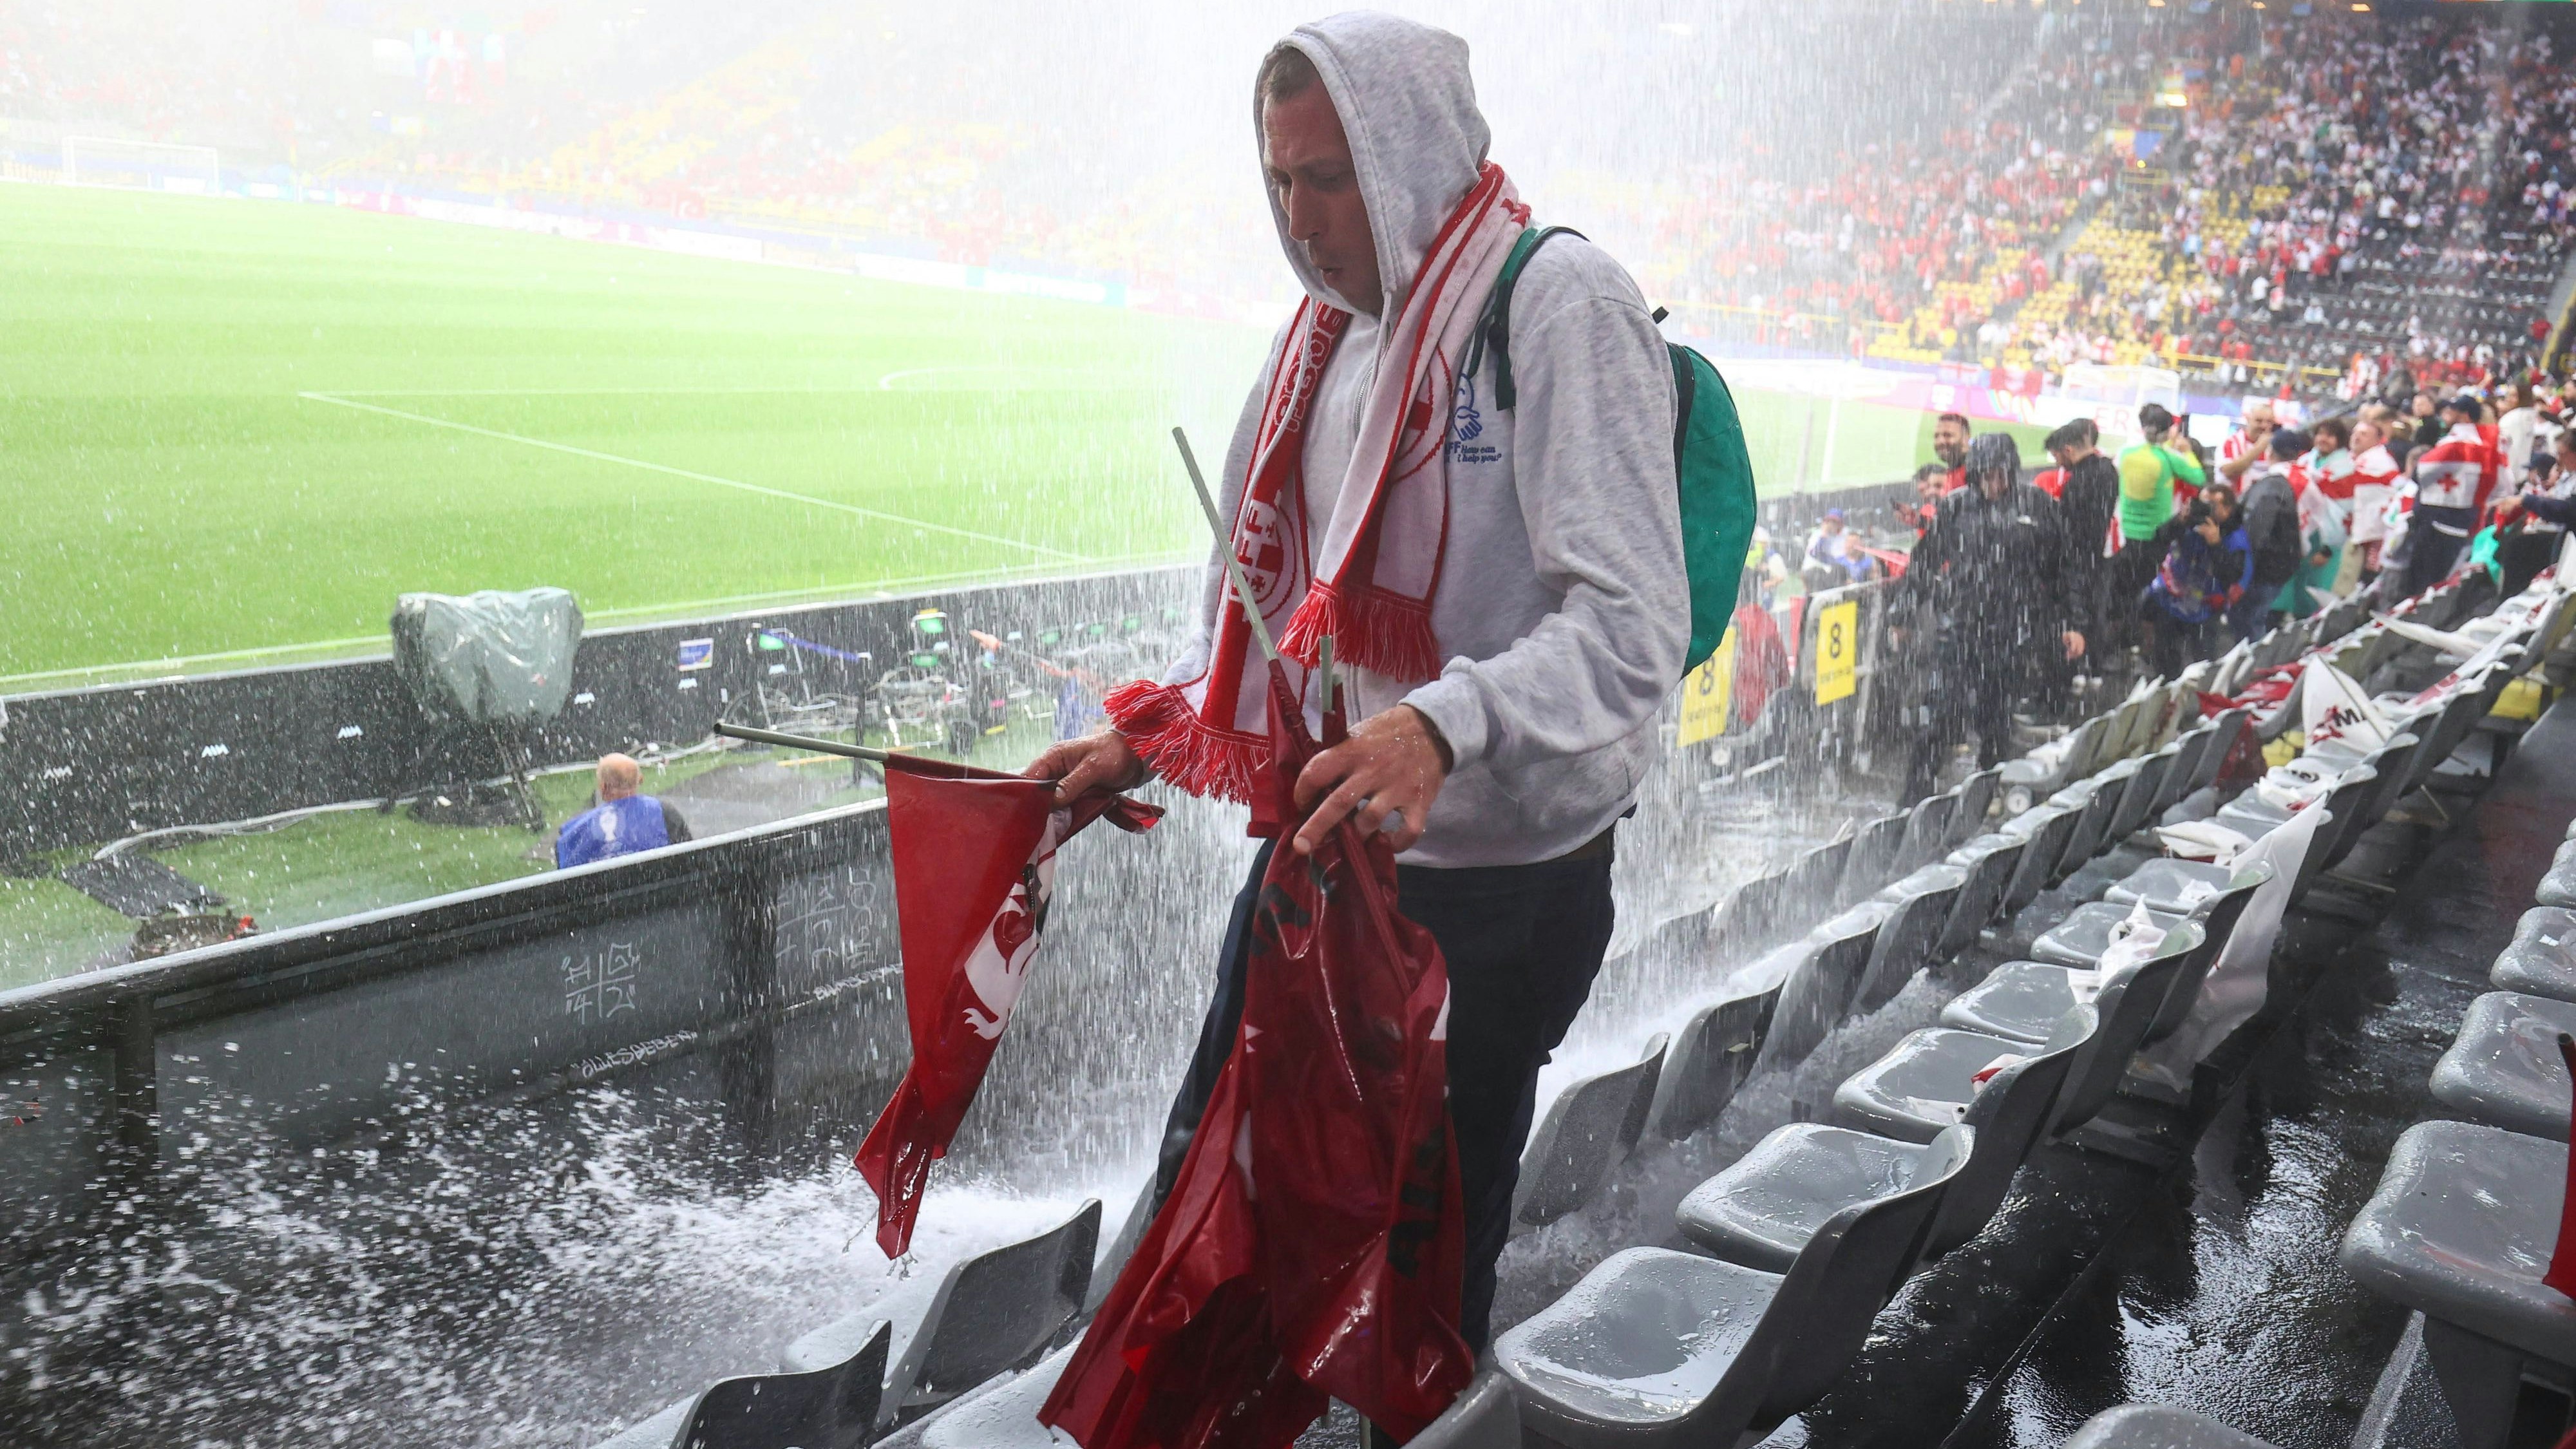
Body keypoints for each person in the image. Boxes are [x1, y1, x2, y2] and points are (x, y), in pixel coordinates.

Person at [1025, 14, 1687, 1361]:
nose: (1299, 217)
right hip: (1323, 859)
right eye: (1278, 179)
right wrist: (1147, 736)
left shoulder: (1562, 306)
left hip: (1496, 900)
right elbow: (1272, 619)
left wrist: (1440, 728)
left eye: (1328, 177)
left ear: (1408, 154)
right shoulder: (1317, 344)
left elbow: (1633, 630)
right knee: (1212, 1210)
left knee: (1421, 1282)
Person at [1898, 433, 2087, 802]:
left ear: (2011, 472)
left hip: (2011, 633)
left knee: (1996, 721)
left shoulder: (2038, 506)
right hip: (1959, 629)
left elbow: (2064, 571)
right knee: (1937, 717)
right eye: (1985, 475)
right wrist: (1902, 613)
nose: (1992, 483)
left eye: (1999, 474)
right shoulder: (1957, 507)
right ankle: (1912, 800)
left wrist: (2074, 624)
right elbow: (1924, 563)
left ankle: (1988, 792)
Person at [2139, 484, 2253, 680]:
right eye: (2202, 503)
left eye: (2212, 505)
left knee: (2203, 660)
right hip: (2171, 600)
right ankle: (2166, 682)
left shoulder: (2235, 537)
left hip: (2206, 607)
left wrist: (2216, 544)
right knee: (2165, 654)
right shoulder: (2189, 522)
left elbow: (2231, 576)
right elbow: (2159, 539)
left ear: (2227, 509)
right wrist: (2180, 520)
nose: (2205, 509)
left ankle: (2201, 689)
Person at [2401, 392, 2505, 597]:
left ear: (2464, 416)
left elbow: (2420, 473)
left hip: (2437, 523)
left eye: (2453, 410)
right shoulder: (2487, 444)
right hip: (2464, 522)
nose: (2447, 414)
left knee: (2422, 583)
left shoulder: (2458, 443)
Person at [2113, 403, 2207, 625]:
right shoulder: (2169, 457)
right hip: (2155, 537)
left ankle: (2117, 628)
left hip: (2125, 534)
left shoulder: (2125, 452)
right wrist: (2187, 452)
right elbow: (2199, 478)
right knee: (2140, 590)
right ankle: (2132, 628)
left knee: (2120, 590)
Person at [2045, 417, 2121, 657]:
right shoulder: (2108, 469)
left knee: (2084, 613)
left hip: (2084, 558)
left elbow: (2073, 528)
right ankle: (2094, 664)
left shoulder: (2079, 482)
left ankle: (2084, 662)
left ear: (2068, 450)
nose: (2058, 463)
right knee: (2097, 610)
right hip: (2103, 555)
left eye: (2057, 456)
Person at [554, 753, 692, 867]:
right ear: (640, 780)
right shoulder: (663, 813)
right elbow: (690, 860)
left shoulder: (573, 834)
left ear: (603, 787)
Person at [2235, 429, 2306, 637]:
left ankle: (2253, 657)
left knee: (2251, 621)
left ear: (2270, 452)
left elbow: (2256, 532)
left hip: (2265, 567)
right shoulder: (2301, 478)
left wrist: (2241, 566)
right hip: (2283, 564)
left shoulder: (2272, 485)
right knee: (2260, 618)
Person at [1803, 507, 1873, 589]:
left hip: (1849, 575)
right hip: (1826, 572)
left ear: (1840, 524)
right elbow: (1814, 554)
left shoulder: (1847, 533)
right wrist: (1824, 535)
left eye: (1834, 522)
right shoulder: (1819, 535)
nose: (1831, 524)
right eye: (1829, 521)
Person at [2217, 399, 2277, 487]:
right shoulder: (2231, 443)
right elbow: (2228, 472)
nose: (2264, 426)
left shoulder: (2276, 446)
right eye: (2259, 421)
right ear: (2248, 420)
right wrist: (2258, 448)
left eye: (2269, 422)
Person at [1931, 412, 1973, 493]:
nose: (1941, 441)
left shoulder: (1973, 475)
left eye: (1948, 435)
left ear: (1966, 439)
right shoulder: (1952, 473)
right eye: (1936, 436)